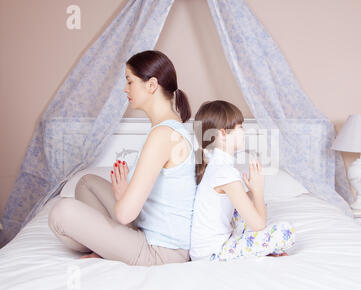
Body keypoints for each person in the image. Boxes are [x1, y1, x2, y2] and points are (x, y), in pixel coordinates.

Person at [48, 50, 197, 266]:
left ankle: (104, 245)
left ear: (151, 85)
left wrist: (122, 194)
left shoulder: (163, 135)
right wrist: (125, 197)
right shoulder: (167, 128)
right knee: (86, 183)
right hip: (146, 229)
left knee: (61, 212)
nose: (125, 89)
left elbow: (125, 214)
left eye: (130, 81)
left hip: (160, 253)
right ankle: (108, 243)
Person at [189, 100, 295, 262]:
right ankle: (256, 248)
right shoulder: (225, 172)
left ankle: (255, 248)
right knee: (285, 231)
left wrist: (251, 191)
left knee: (249, 210)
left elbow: (232, 204)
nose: (245, 132)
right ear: (223, 133)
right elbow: (259, 225)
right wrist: (259, 190)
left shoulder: (216, 165)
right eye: (240, 127)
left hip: (205, 250)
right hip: (211, 254)